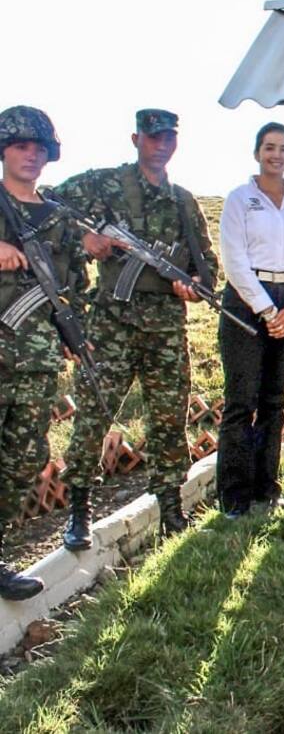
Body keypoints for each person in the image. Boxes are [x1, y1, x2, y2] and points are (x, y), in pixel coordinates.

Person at [55, 109, 217, 548]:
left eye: (168, 138)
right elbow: (47, 207)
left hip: (165, 329)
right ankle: (79, 509)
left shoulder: (183, 202)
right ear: (136, 139)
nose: (161, 145)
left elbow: (207, 265)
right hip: (111, 324)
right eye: (153, 137)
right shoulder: (104, 184)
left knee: (169, 419)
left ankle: (171, 508)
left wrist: (194, 285)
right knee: (94, 416)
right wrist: (85, 240)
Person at [0, 107, 87, 600]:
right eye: (20, 146)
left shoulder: (57, 218)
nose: (30, 155)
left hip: (35, 362)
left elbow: (74, 284)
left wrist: (75, 334)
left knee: (22, 459)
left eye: (39, 148)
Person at [216, 123, 284, 518]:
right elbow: (234, 260)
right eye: (270, 147)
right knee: (242, 402)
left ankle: (266, 489)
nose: (277, 155)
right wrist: (266, 309)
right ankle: (234, 497)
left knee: (274, 402)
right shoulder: (240, 200)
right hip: (246, 301)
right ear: (257, 152)